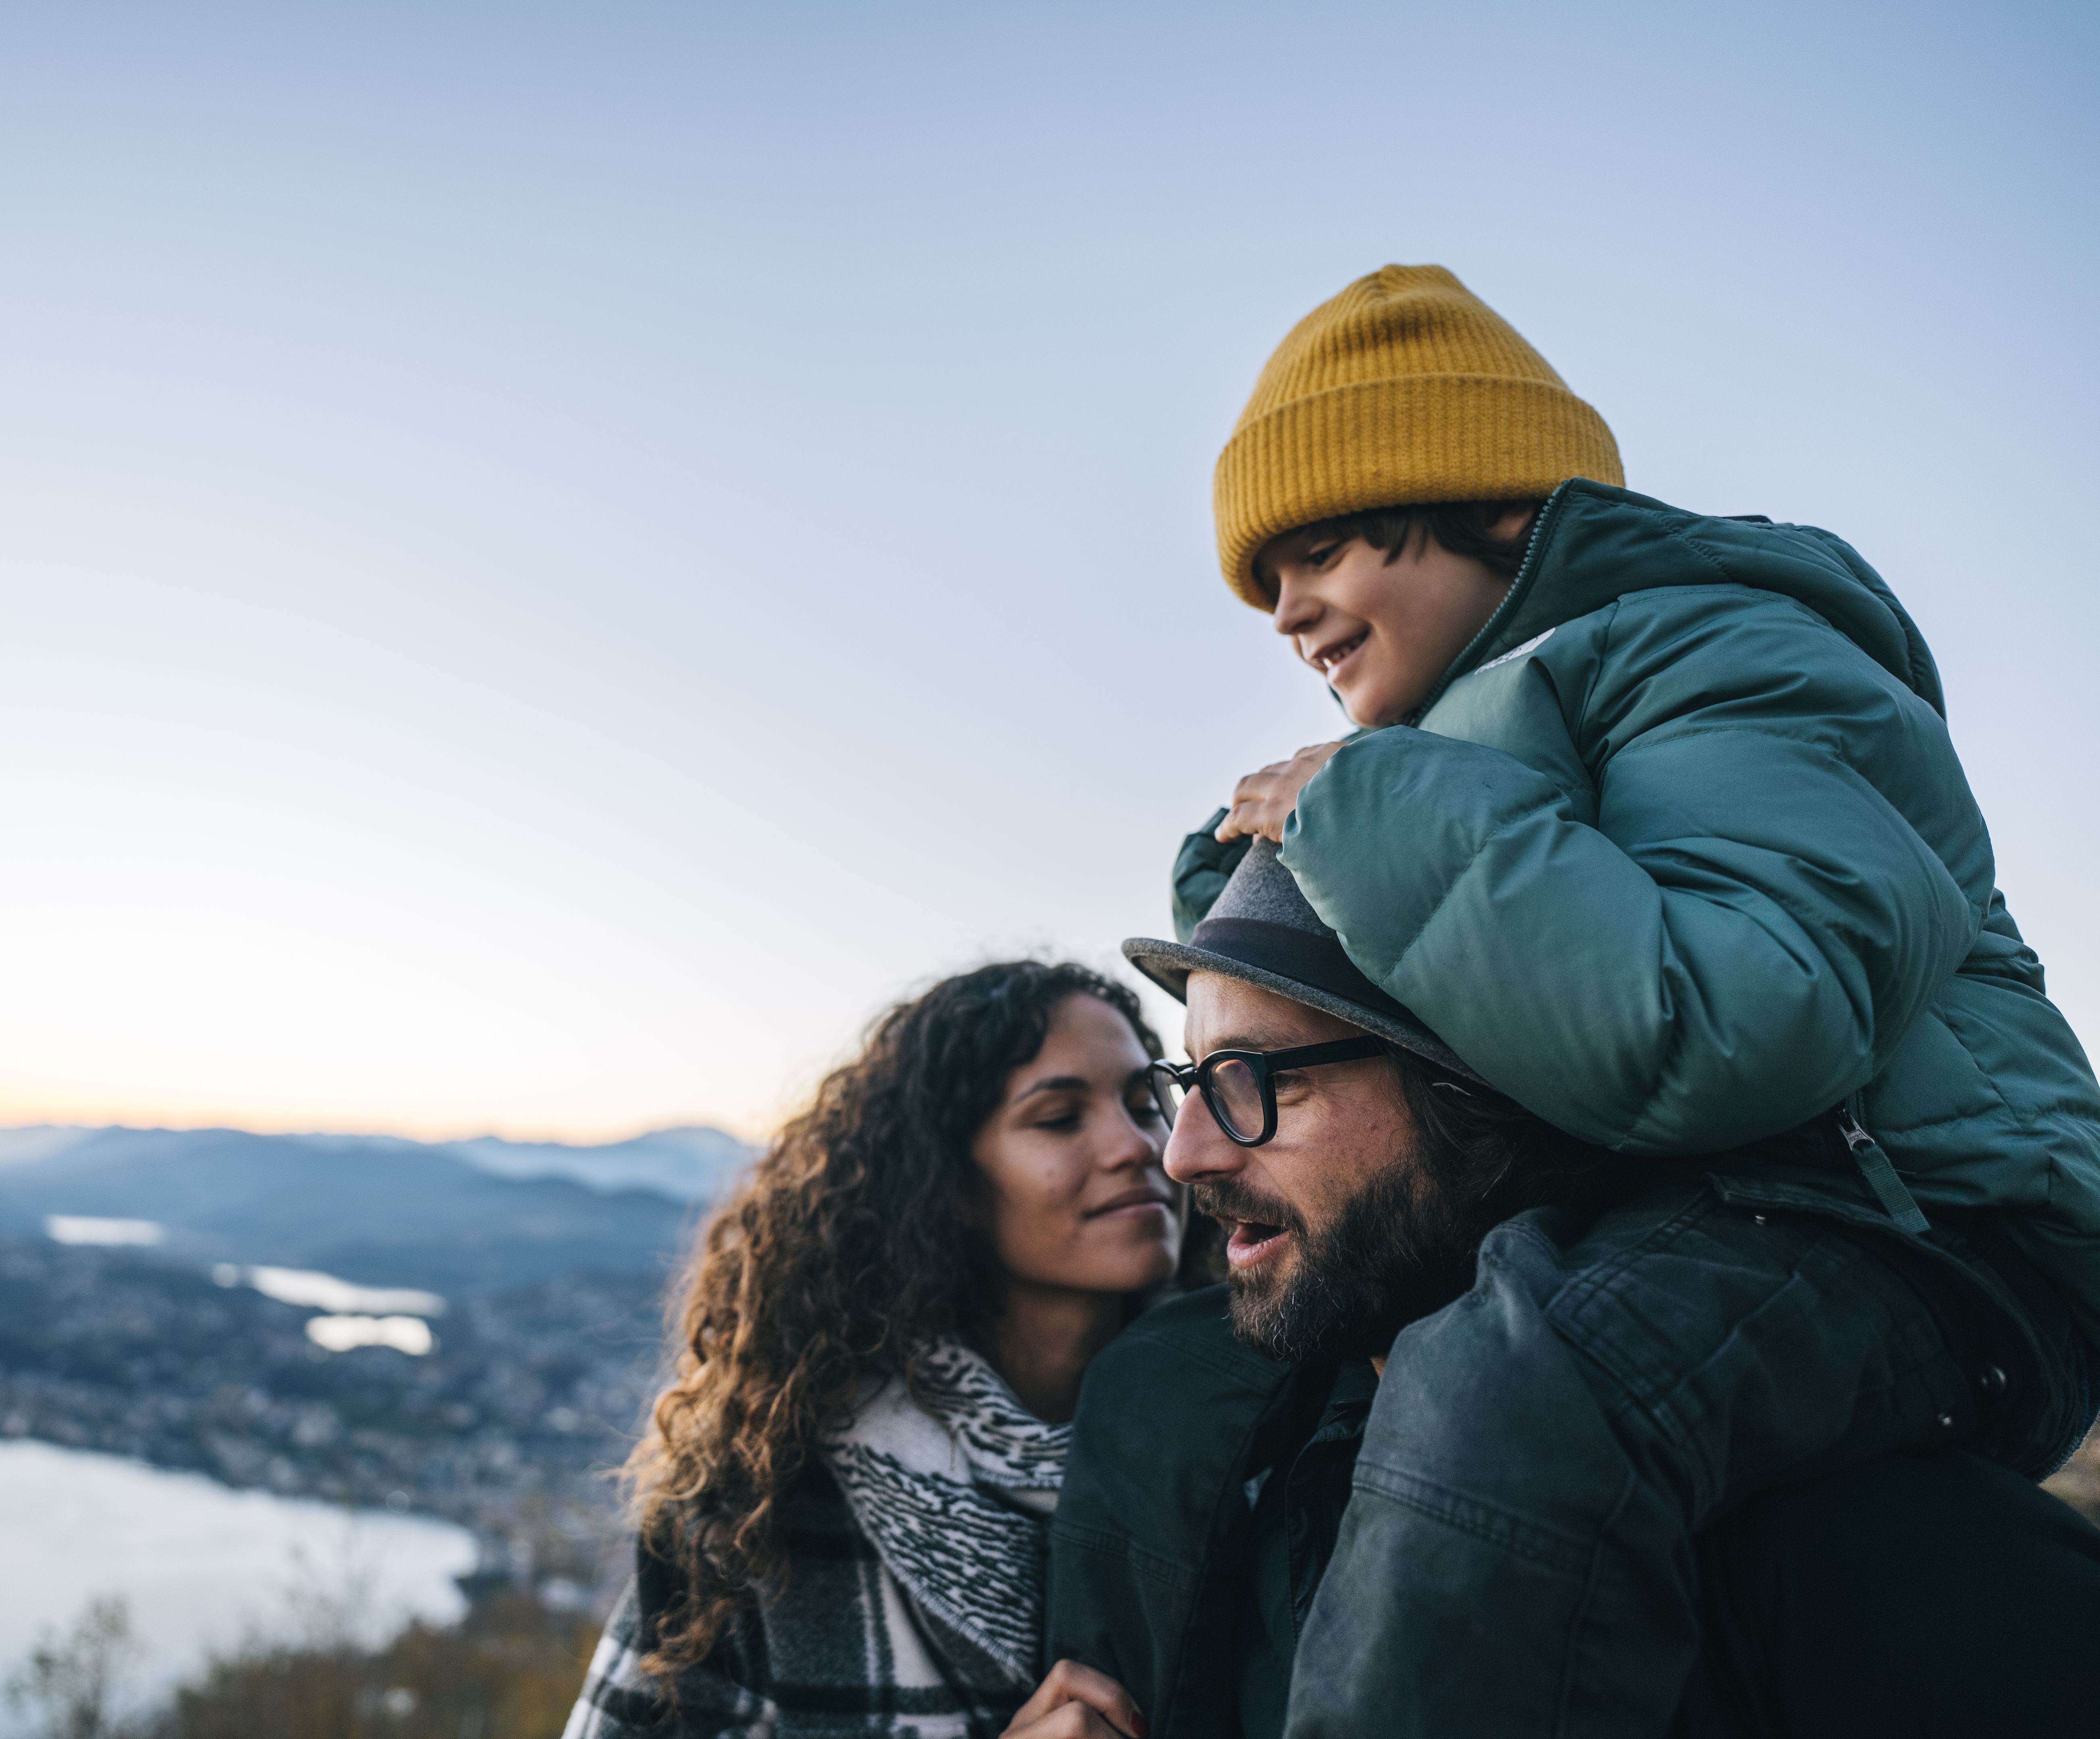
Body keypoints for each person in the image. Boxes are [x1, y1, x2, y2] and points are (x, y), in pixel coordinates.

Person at [1135, 263, 2100, 1733]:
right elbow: (1419, 969)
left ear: (1498, 508)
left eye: (1319, 546)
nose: (1286, 612)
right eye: (1262, 581)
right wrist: (1252, 867)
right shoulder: (1481, 740)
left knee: (1530, 1391)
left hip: (1941, 1230)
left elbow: (1732, 1030)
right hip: (1755, 1212)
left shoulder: (1731, 658)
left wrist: (1371, 816)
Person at [1031, 848, 2100, 1739]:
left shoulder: (1890, 1554)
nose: (1181, 1157)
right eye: (1192, 1084)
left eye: (1260, 1083)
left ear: (1480, 1088)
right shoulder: (1196, 1445)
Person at [562, 960, 1201, 1739]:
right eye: (1060, 1118)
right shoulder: (761, 1518)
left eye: (1146, 1104)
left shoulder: (1261, 1452)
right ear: (949, 1187)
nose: (1137, 1145)